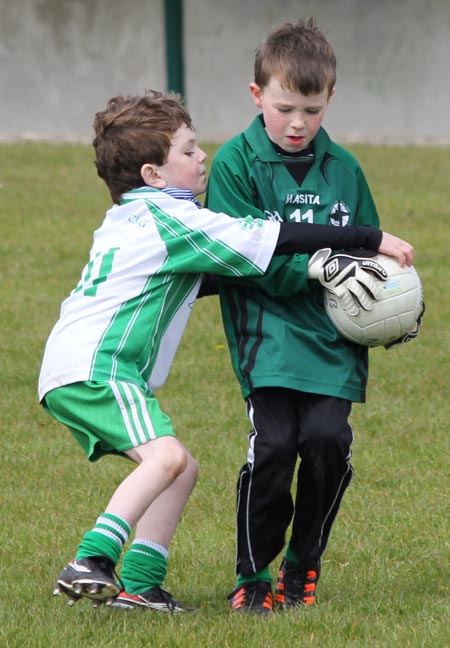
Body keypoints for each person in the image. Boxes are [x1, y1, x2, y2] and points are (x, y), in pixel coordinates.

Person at [38, 90, 412, 614]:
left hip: (80, 364)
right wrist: (365, 238)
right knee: (165, 457)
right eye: (189, 151)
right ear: (154, 174)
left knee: (180, 467)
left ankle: (141, 585)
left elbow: (219, 278)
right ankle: (92, 558)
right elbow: (268, 235)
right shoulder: (177, 221)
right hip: (99, 367)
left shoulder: (133, 217)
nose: (202, 157)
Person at [205, 18, 417, 614]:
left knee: (325, 441)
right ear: (257, 97)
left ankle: (303, 566)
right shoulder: (235, 165)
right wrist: (315, 270)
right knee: (273, 446)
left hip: (331, 340)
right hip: (266, 334)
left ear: (329, 101)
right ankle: (254, 574)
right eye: (285, 108)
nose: (298, 123)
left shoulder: (345, 168)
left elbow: (370, 258)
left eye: (313, 110)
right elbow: (239, 261)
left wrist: (393, 309)